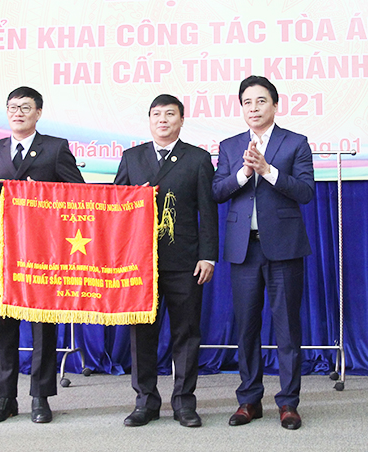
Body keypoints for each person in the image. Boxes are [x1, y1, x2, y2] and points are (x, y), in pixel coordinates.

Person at [0, 86, 85, 423]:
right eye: (12, 107)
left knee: (43, 328)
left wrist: (45, 194)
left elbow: (77, 192)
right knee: (3, 327)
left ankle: (40, 397)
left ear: (38, 113)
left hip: (43, 253)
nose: (17, 113)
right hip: (6, 252)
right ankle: (4, 398)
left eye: (25, 107)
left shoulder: (55, 148)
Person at [211, 76, 314, 430]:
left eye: (260, 101)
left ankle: (288, 403)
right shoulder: (230, 146)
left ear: (275, 105)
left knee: (287, 329)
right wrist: (243, 173)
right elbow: (217, 192)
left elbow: (305, 192)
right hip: (244, 250)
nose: (253, 108)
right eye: (247, 102)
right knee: (247, 329)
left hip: (284, 248)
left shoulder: (295, 143)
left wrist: (268, 171)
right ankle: (249, 400)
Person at [114, 94, 218, 428]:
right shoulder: (132, 158)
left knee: (186, 333)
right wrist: (134, 197)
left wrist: (208, 256)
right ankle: (145, 402)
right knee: (141, 335)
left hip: (185, 261)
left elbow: (208, 211)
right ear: (149, 120)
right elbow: (114, 208)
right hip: (140, 264)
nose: (163, 120)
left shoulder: (198, 158)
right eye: (156, 114)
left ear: (181, 120)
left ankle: (184, 403)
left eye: (170, 114)